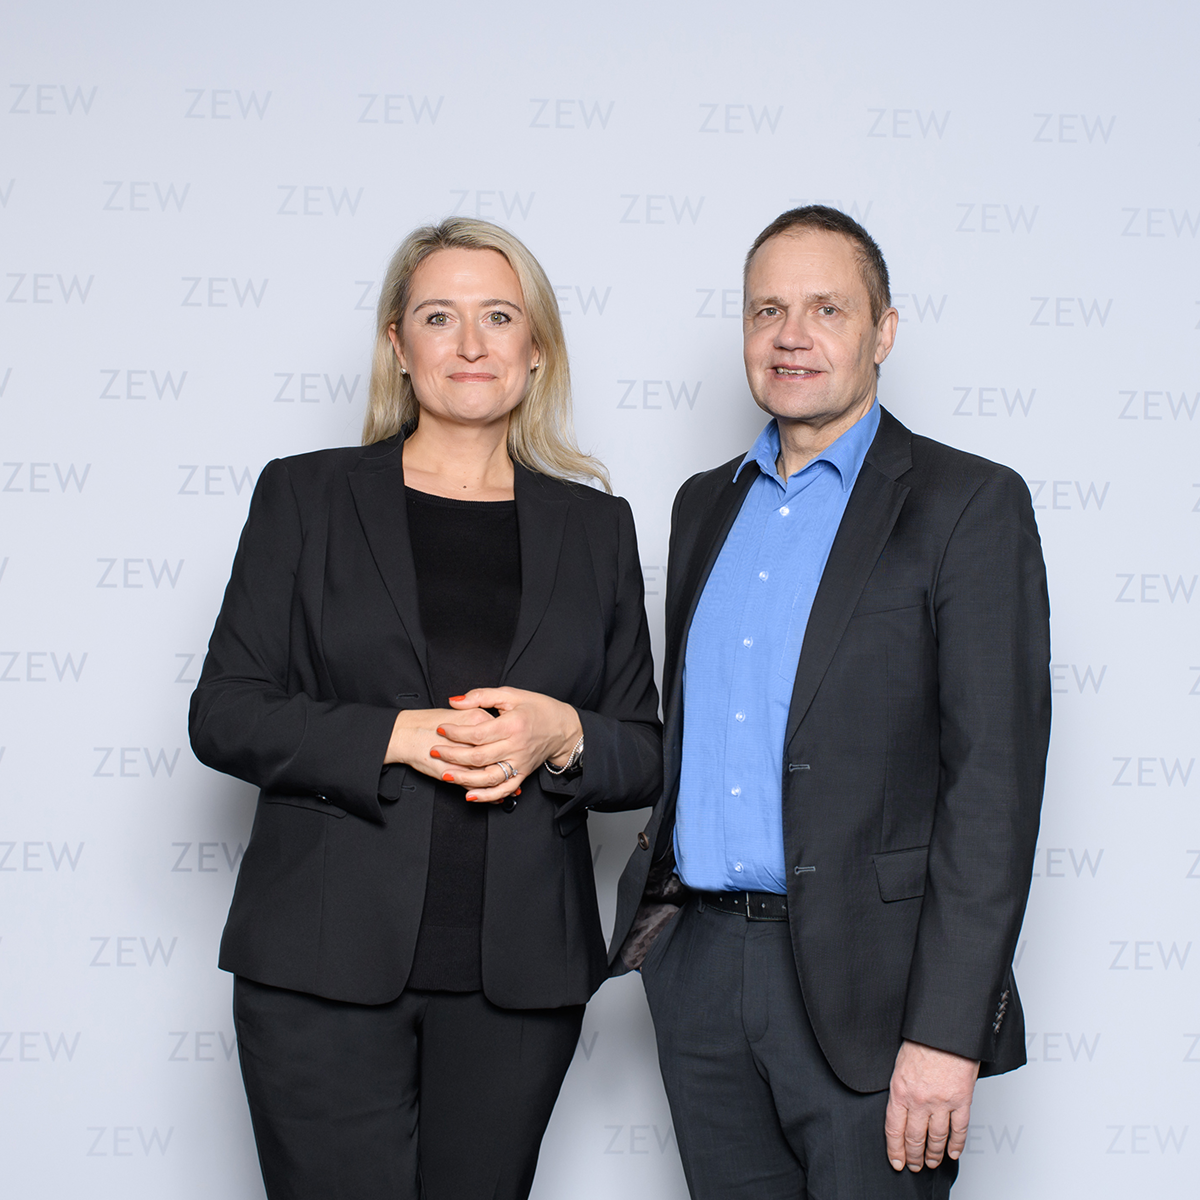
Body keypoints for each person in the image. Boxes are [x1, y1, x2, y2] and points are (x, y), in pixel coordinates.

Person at [189, 217, 662, 1200]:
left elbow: (645, 752)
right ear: (399, 347)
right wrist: (393, 735)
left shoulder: (596, 526)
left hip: (519, 980)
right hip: (320, 964)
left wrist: (564, 733)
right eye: (439, 317)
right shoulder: (306, 497)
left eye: (500, 317)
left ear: (537, 349)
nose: (471, 343)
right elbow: (225, 712)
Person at [611, 205, 1050, 1199]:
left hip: (875, 994)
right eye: (766, 310)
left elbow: (994, 789)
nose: (791, 335)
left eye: (827, 308)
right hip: (701, 971)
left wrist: (947, 1032)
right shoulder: (702, 502)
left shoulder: (968, 504)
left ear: (883, 331)